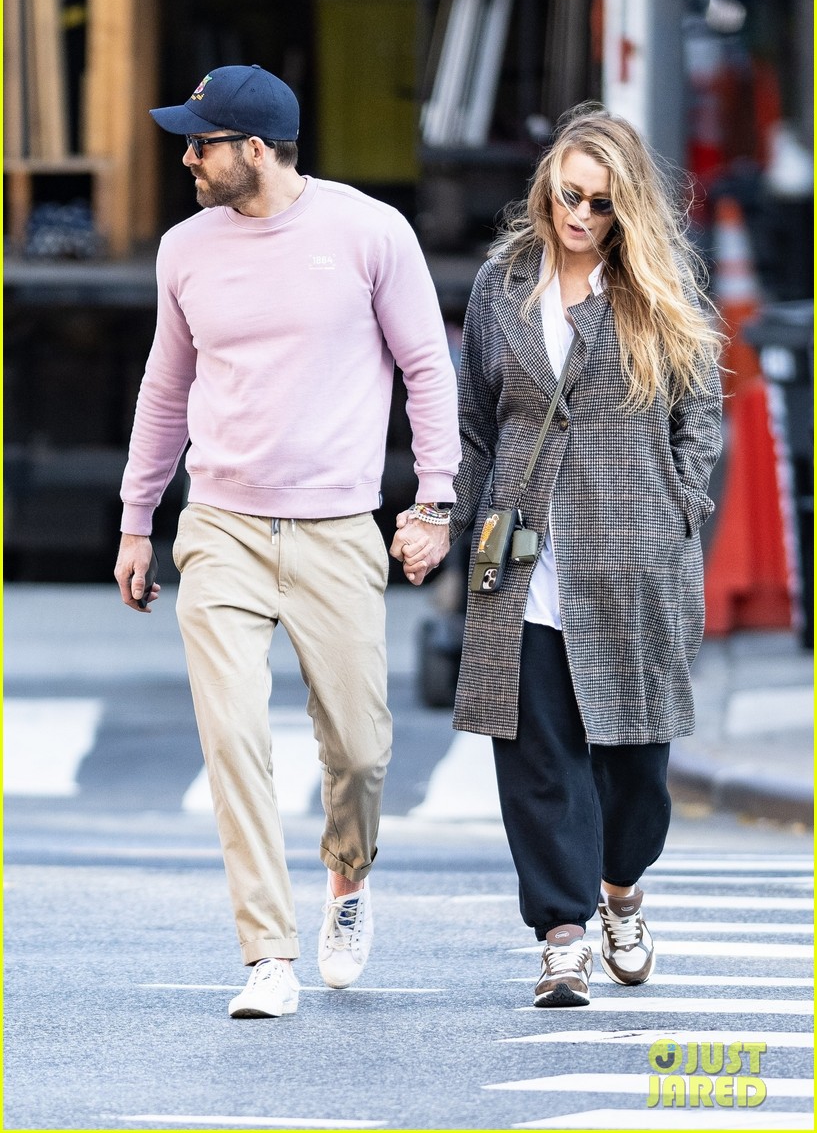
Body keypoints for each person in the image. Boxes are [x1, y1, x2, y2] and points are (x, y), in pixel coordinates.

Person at [114, 64, 460, 1019]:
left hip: (336, 527)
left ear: (254, 151)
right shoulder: (184, 250)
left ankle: (346, 881)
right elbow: (164, 387)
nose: (186, 157)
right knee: (232, 739)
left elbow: (427, 368)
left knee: (358, 748)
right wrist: (138, 518)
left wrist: (433, 503)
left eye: (201, 142)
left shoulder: (366, 233)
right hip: (219, 523)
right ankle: (265, 954)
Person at [398, 102, 723, 1007]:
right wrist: (436, 514)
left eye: (600, 204)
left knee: (635, 766)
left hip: (632, 556)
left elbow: (699, 420)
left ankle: (620, 889)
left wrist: (678, 508)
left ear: (629, 214)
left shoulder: (659, 292)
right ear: (543, 188)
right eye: (565, 195)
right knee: (538, 756)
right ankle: (562, 936)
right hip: (521, 551)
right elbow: (468, 423)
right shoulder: (503, 288)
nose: (578, 216)